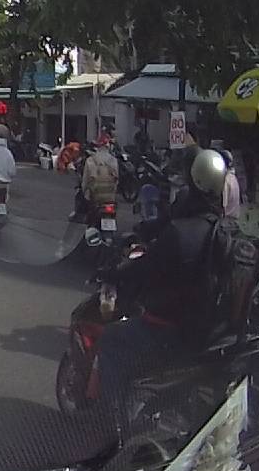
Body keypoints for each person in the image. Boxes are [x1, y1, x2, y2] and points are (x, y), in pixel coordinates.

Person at [96, 149, 230, 442]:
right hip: (211, 333)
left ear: (193, 181)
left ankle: (112, 424)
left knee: (110, 339)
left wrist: (115, 272)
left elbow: (146, 270)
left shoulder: (181, 232)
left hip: (172, 330)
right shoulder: (226, 232)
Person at [76, 134, 119, 219]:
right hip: (110, 198)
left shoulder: (91, 160)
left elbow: (85, 181)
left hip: (95, 198)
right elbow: (116, 181)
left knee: (89, 216)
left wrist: (84, 193)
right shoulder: (113, 160)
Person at [222, 150, 242, 219]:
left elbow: (224, 205)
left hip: (226, 220)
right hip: (234, 219)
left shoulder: (225, 180)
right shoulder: (233, 177)